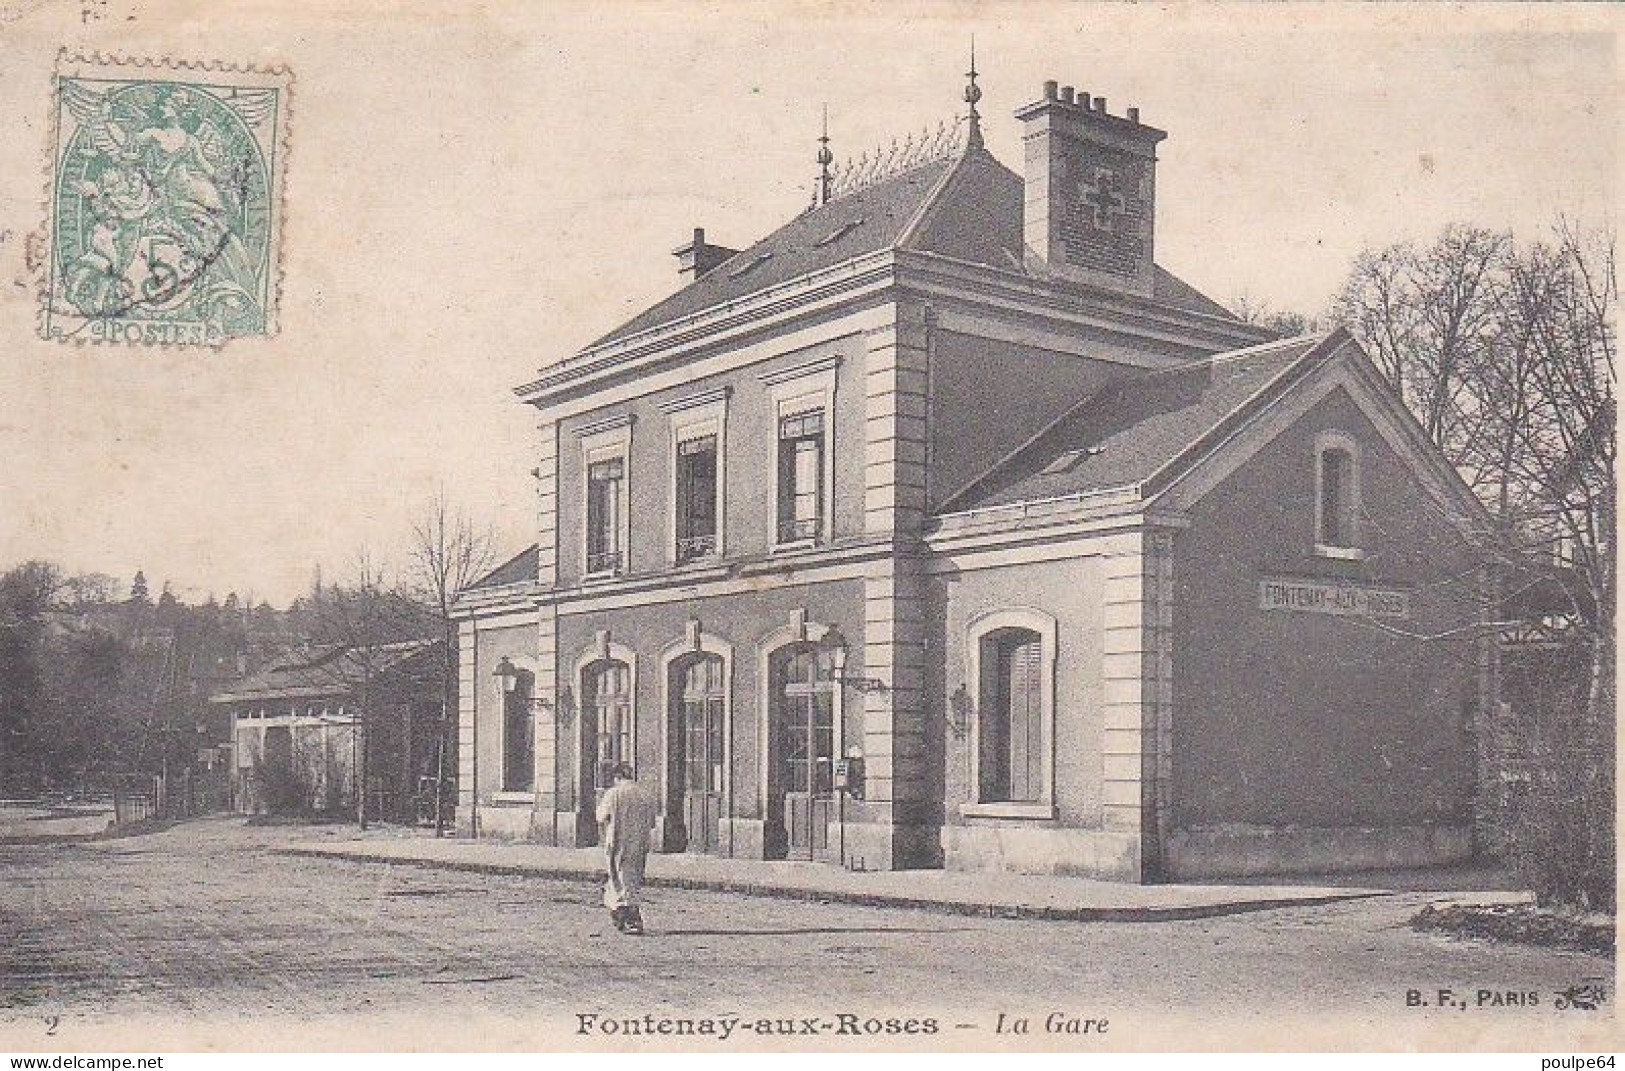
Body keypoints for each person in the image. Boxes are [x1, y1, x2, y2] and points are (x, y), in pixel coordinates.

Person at [595, 762, 658, 935]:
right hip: (639, 842)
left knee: (617, 879)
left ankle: (626, 917)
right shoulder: (645, 795)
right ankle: (630, 914)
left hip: (617, 842)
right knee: (633, 878)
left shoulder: (613, 794)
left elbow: (600, 817)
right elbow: (652, 822)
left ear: (617, 777)